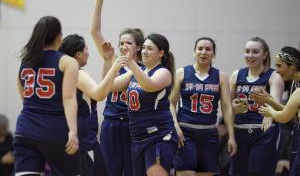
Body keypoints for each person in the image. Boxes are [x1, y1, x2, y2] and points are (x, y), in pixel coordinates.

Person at [90, 0, 144, 176]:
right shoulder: (113, 59)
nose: (123, 47)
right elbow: (95, 32)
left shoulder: (145, 69)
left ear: (139, 46)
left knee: (132, 171)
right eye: (121, 43)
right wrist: (99, 0)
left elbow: (113, 86)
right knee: (107, 171)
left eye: (128, 43)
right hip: (111, 123)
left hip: (133, 125)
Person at [14, 16, 80, 176]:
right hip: (54, 131)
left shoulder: (26, 60)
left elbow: (23, 93)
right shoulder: (68, 62)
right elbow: (69, 98)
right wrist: (73, 131)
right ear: (59, 37)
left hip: (25, 130)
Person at [109, 33, 177, 176]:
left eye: (150, 48)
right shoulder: (135, 73)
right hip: (138, 138)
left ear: (161, 53)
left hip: (158, 136)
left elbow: (149, 85)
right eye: (144, 48)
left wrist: (131, 63)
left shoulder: (163, 72)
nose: (145, 51)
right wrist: (109, 60)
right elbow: (109, 86)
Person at [59, 34, 127, 176]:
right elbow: (99, 94)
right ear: (78, 54)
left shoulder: (61, 72)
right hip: (83, 139)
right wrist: (116, 68)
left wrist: (107, 61)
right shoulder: (78, 73)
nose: (88, 53)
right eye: (86, 49)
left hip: (64, 135)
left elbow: (102, 87)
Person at [170, 37, 237, 176]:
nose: (203, 52)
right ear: (194, 52)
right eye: (200, 48)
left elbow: (226, 107)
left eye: (208, 49)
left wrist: (231, 136)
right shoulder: (182, 73)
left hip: (209, 134)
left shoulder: (221, 76)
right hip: (185, 132)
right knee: (186, 173)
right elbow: (171, 103)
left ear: (213, 54)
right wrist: (175, 126)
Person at [229, 37, 284, 176]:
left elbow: (275, 105)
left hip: (264, 132)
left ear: (264, 54)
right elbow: (227, 106)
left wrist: (269, 114)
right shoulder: (236, 75)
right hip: (240, 131)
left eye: (255, 52)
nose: (250, 55)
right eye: (247, 51)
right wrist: (233, 107)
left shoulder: (273, 76)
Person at [251, 46, 300, 176]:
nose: (277, 71)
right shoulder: (295, 83)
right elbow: (294, 115)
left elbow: (284, 117)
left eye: (280, 66)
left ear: (293, 66)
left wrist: (269, 111)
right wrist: (270, 100)